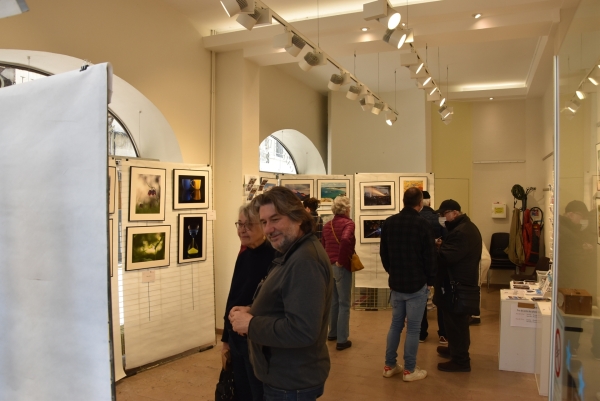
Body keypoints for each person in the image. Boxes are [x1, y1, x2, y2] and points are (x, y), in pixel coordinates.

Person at [229, 186, 333, 400]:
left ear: (297, 217)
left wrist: (251, 324)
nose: (268, 229)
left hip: (291, 381)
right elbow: (288, 304)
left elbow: (303, 329)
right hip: (285, 374)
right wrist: (254, 310)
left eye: (275, 219)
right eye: (264, 222)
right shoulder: (293, 253)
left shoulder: (304, 261)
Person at [380, 187, 436, 382]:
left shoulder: (389, 223)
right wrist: (430, 280)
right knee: (413, 328)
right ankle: (409, 370)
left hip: (396, 283)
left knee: (395, 326)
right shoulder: (423, 224)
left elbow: (384, 254)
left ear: (403, 201)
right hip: (416, 284)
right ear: (420, 203)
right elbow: (429, 256)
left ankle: (389, 366)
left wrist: (392, 272)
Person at [221, 204, 276, 401]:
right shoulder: (244, 254)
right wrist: (226, 339)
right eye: (240, 224)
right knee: (241, 390)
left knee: (257, 392)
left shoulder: (273, 257)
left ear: (262, 225)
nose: (242, 230)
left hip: (255, 336)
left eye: (249, 224)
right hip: (236, 336)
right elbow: (233, 295)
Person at [433, 199, 482, 373]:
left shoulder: (461, 232)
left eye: (444, 214)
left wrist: (435, 249)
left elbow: (447, 258)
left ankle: (460, 361)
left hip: (457, 285)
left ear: (455, 213)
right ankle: (454, 350)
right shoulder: (465, 228)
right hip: (459, 283)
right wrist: (443, 246)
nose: (442, 218)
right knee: (454, 321)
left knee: (456, 323)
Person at [320, 196, 355, 351]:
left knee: (334, 301)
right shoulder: (349, 223)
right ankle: (342, 339)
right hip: (341, 267)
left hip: (329, 267)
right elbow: (346, 240)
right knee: (344, 303)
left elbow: (323, 245)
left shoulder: (327, 225)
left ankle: (332, 333)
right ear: (346, 209)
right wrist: (341, 260)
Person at [419, 190, 448, 344]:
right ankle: (443, 333)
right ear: (429, 202)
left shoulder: (416, 218)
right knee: (441, 298)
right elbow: (447, 240)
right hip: (438, 263)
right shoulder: (439, 219)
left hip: (420, 265)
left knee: (421, 298)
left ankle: (421, 333)